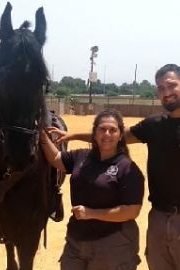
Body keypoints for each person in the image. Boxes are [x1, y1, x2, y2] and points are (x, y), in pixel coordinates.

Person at [54, 64, 180, 270]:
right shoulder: (154, 125)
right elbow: (112, 138)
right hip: (159, 217)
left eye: (171, 86)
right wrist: (74, 135)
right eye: (160, 88)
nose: (166, 93)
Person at [40, 109, 144, 270]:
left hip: (112, 245)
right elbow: (55, 158)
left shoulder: (128, 168)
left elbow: (131, 211)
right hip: (76, 240)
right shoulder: (81, 156)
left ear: (120, 135)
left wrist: (91, 213)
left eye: (113, 130)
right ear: (94, 133)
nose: (107, 134)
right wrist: (40, 133)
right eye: (102, 129)